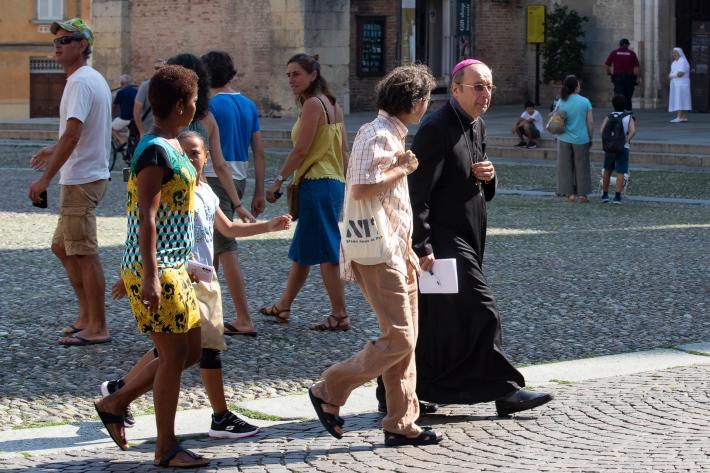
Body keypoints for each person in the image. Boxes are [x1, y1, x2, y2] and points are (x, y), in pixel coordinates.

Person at [104, 131, 291, 440]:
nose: (191, 158)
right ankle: (219, 416)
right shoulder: (174, 187)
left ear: (206, 157)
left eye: (196, 153)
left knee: (175, 351)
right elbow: (148, 228)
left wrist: (268, 226)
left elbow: (228, 229)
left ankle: (120, 390)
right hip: (182, 278)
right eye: (185, 153)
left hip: (207, 280)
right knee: (203, 350)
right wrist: (139, 275)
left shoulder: (206, 191)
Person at [402, 58, 552, 417]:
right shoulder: (436, 128)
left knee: (434, 319)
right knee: (483, 310)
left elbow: (475, 177)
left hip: (468, 236)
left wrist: (490, 175)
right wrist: (421, 245)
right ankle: (505, 390)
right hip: (442, 241)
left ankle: (405, 391)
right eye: (478, 87)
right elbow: (416, 191)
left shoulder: (477, 124)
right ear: (456, 89)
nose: (486, 94)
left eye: (489, 87)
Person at [309, 64, 443, 447]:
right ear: (414, 102)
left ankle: (400, 422)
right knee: (399, 339)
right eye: (426, 99)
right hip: (377, 253)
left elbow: (387, 201)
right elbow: (362, 188)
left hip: (396, 251)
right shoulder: (377, 134)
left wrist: (410, 249)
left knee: (405, 342)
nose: (427, 106)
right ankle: (329, 388)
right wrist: (403, 168)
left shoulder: (388, 133)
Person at [93, 64, 208, 468]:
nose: (196, 107)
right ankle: (166, 447)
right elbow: (146, 216)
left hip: (174, 262)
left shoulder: (173, 143)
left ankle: (116, 402)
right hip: (158, 267)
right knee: (173, 357)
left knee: (191, 350)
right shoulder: (154, 149)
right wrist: (150, 276)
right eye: (193, 101)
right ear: (180, 105)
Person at [28, 18, 112, 346]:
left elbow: (74, 133)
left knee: (85, 253)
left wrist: (45, 179)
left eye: (65, 40)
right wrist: (54, 149)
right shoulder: (90, 79)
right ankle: (86, 315)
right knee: (62, 247)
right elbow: (79, 132)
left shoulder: (79, 82)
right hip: (86, 175)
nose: (58, 46)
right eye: (56, 41)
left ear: (82, 45)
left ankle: (98, 326)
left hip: (81, 179)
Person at [263, 53, 349, 331]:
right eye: (288, 75)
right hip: (333, 183)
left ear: (313, 75)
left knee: (326, 250)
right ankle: (283, 305)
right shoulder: (333, 104)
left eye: (297, 74)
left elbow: (300, 150)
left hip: (316, 183)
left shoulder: (313, 104)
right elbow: (343, 150)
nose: (291, 79)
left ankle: (340, 314)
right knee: (303, 251)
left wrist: (278, 181)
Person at [200, 51, 266, 336]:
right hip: (240, 177)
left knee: (226, 247)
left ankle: (243, 317)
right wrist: (259, 190)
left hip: (216, 177)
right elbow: (259, 151)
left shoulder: (210, 106)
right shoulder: (248, 104)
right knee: (213, 246)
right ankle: (206, 309)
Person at [556, 75, 593, 203]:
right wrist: (590, 137)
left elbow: (557, 119)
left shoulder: (561, 101)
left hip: (564, 138)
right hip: (581, 138)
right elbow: (590, 122)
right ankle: (583, 195)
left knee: (565, 167)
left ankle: (569, 195)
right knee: (582, 167)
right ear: (576, 86)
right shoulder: (585, 101)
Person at [600, 95, 636, 205]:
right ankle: (617, 196)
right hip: (623, 147)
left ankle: (605, 194)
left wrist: (608, 141)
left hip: (610, 148)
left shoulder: (609, 116)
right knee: (620, 171)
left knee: (607, 170)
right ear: (624, 105)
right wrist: (625, 140)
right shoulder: (628, 117)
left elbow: (601, 131)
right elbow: (633, 131)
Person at [604, 38, 641, 112]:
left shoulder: (614, 52)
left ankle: (619, 111)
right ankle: (628, 111)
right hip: (629, 78)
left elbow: (606, 65)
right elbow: (636, 68)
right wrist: (637, 77)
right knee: (628, 96)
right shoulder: (632, 53)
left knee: (619, 95)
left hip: (618, 77)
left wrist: (609, 73)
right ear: (626, 45)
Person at [133, 57, 166, 138]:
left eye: (162, 68)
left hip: (166, 133)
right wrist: (141, 131)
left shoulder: (171, 86)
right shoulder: (145, 86)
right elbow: (136, 111)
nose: (158, 71)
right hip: (149, 132)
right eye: (156, 68)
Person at [112, 74, 137, 145]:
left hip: (124, 119)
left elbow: (114, 106)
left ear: (122, 83)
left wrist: (112, 114)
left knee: (110, 128)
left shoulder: (120, 92)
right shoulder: (136, 91)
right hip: (134, 119)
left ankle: (122, 142)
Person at [669, 47, 691, 123]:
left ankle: (680, 117)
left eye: (675, 53)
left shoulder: (683, 61)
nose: (674, 54)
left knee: (681, 100)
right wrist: (673, 75)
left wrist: (672, 75)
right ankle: (683, 117)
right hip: (676, 84)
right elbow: (673, 73)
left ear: (679, 53)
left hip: (682, 84)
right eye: (673, 53)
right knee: (680, 99)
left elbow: (680, 74)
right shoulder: (674, 63)